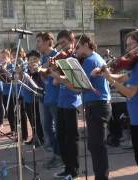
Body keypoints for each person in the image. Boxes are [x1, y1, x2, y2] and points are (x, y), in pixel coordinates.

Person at [94, 30, 138, 180]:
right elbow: (123, 77)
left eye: (131, 44)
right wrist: (106, 75)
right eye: (127, 45)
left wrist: (110, 80)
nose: (128, 49)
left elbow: (130, 93)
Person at [76, 34, 112, 180]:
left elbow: (81, 86)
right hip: (97, 105)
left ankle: (101, 177)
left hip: (98, 106)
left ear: (86, 45)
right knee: (95, 145)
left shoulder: (90, 60)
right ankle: (101, 176)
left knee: (97, 145)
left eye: (77, 47)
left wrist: (64, 80)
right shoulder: (94, 58)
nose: (75, 50)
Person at [48, 30, 82, 178]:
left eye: (64, 43)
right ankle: (67, 167)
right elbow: (55, 82)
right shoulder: (61, 58)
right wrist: (53, 71)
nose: (61, 47)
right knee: (61, 137)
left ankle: (74, 170)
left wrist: (60, 76)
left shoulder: (75, 58)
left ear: (72, 41)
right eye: (60, 43)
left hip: (72, 102)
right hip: (61, 101)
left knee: (71, 138)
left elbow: (77, 85)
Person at [35, 32, 62, 169]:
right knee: (46, 127)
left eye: (39, 41)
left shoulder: (56, 55)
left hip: (56, 98)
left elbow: (58, 78)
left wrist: (44, 69)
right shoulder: (44, 57)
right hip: (47, 96)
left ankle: (59, 156)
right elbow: (46, 80)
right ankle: (55, 154)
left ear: (47, 42)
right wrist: (40, 72)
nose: (37, 44)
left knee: (58, 129)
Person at [22, 50, 45, 146]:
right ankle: (34, 137)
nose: (32, 61)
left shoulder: (40, 71)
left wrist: (36, 71)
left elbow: (40, 85)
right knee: (31, 120)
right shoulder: (26, 71)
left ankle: (40, 138)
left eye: (35, 59)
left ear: (39, 60)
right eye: (30, 59)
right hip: (27, 98)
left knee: (38, 120)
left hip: (36, 99)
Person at [0, 49, 16, 134]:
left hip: (11, 92)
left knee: (11, 111)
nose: (2, 59)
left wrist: (4, 69)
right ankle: (12, 129)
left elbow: (11, 78)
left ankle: (15, 130)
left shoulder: (11, 66)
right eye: (1, 57)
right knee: (8, 112)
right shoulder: (1, 66)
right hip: (4, 92)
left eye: (4, 57)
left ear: (8, 57)